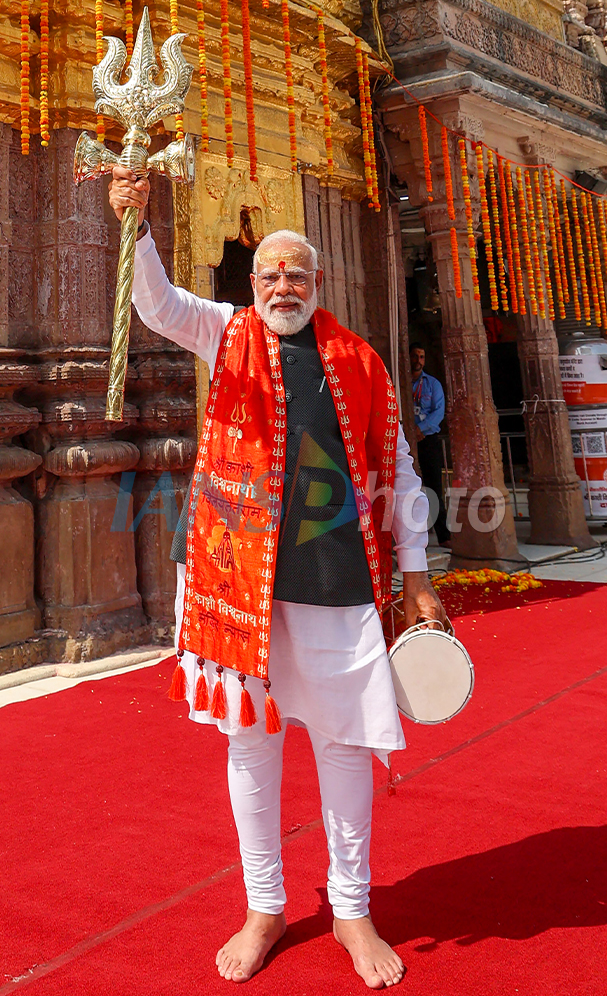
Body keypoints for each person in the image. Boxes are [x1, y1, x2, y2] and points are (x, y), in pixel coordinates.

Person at [109, 167, 448, 990]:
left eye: (295, 274)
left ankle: (351, 909)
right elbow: (156, 306)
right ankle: (264, 905)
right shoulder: (224, 331)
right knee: (250, 743)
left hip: (337, 579)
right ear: (251, 284)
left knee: (343, 744)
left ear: (316, 283)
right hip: (237, 583)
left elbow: (397, 470)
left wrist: (416, 575)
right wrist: (137, 226)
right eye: (268, 275)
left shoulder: (358, 360)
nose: (281, 286)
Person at [409, 344, 451, 548]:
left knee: (434, 487)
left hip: (427, 439)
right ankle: (412, 537)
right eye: (415, 356)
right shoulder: (401, 382)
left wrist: (420, 429)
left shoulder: (432, 384)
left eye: (422, 356)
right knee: (408, 486)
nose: (418, 360)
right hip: (405, 439)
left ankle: (444, 535)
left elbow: (438, 412)